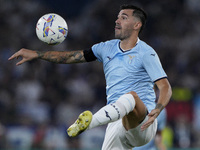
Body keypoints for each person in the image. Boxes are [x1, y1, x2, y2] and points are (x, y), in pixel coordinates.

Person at [9, 4, 172, 150]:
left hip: (143, 124)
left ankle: (88, 123)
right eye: (117, 17)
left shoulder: (146, 53)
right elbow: (71, 57)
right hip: (116, 123)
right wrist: (37, 54)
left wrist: (157, 110)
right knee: (122, 105)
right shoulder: (105, 48)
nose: (117, 21)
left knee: (131, 97)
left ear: (137, 25)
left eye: (123, 17)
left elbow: (165, 87)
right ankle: (90, 122)